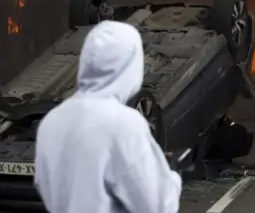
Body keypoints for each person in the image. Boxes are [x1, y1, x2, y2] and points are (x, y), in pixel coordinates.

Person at [34, 21, 182, 213]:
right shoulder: (124, 124)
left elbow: (42, 184)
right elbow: (158, 206)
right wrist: (172, 176)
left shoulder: (52, 122)